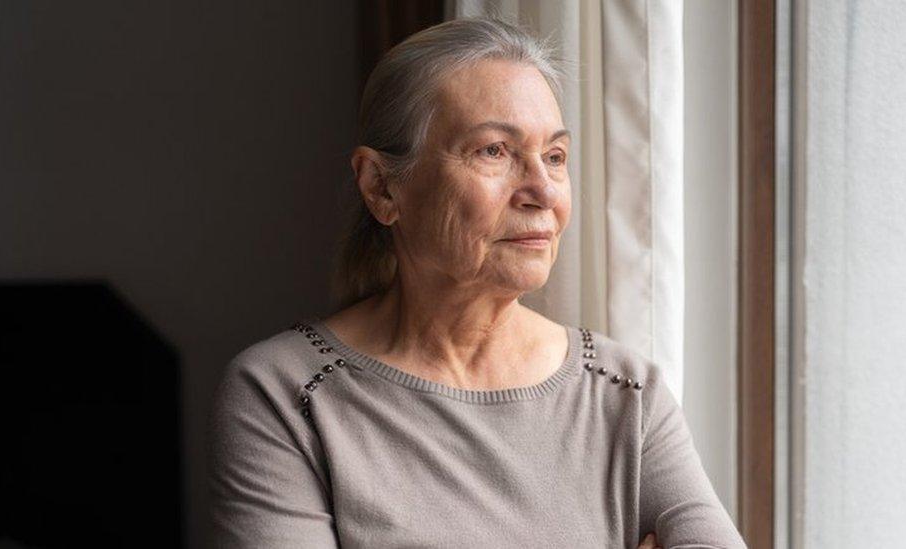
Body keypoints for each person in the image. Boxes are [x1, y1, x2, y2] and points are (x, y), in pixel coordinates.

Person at [208, 16, 747, 549]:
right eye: (494, 151)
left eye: (554, 157)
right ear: (381, 187)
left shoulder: (625, 392)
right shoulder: (287, 393)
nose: (543, 191)